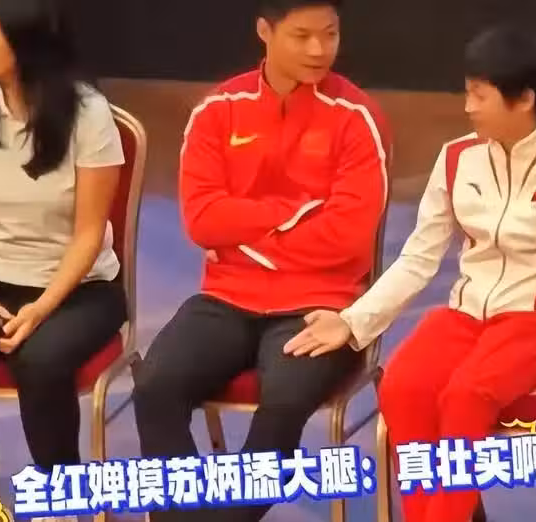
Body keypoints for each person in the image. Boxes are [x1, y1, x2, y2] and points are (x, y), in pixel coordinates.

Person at [284, 25, 536, 522]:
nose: (467, 107)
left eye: (479, 96)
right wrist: (353, 321)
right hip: (467, 316)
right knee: (403, 386)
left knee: (466, 395)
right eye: (467, 92)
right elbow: (418, 257)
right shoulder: (458, 158)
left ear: (524, 99)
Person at [132, 0, 389, 520]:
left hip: (322, 306)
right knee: (155, 386)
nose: (319, 49)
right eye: (302, 35)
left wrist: (244, 231)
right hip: (227, 295)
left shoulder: (357, 118)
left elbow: (347, 238)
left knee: (284, 402)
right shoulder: (217, 111)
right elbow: (202, 221)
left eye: (330, 34)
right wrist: (299, 212)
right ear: (264, 31)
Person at [0, 0, 128, 520]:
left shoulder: (88, 113)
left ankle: (63, 506)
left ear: (27, 44)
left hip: (78, 288)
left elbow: (89, 234)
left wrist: (41, 308)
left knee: (41, 362)